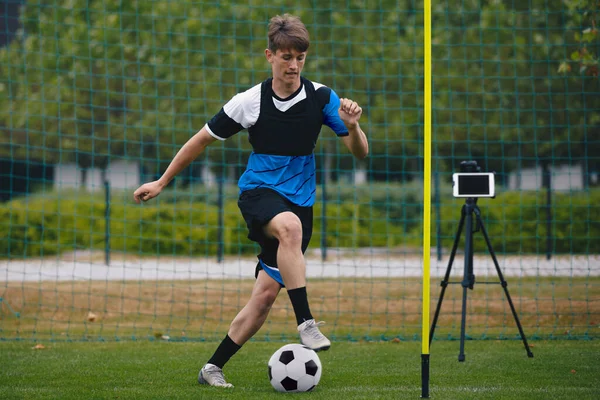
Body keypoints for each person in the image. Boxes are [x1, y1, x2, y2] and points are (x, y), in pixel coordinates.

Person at [133, 13, 368, 388]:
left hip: (301, 201)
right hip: (259, 193)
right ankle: (306, 322)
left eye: (300, 58)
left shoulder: (323, 97)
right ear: (269, 55)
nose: (293, 65)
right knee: (287, 227)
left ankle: (212, 367)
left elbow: (360, 153)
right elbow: (201, 139)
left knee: (264, 296)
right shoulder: (250, 102)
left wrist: (353, 127)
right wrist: (162, 181)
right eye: (286, 57)